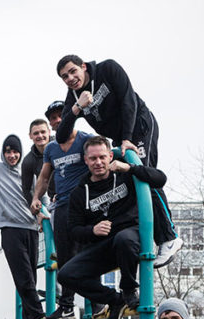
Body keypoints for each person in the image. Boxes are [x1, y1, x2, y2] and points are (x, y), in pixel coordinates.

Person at [54, 55, 181, 265]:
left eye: (73, 71)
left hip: (139, 126)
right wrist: (76, 108)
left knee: (143, 174)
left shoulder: (108, 69)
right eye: (64, 77)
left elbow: (128, 100)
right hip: (119, 137)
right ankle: (142, 236)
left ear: (83, 67)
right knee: (130, 181)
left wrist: (127, 138)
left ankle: (169, 237)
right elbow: (61, 136)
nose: (70, 78)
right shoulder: (74, 95)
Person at [60, 137, 167, 319]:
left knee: (124, 239)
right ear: (86, 160)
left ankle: (128, 290)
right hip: (103, 246)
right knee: (66, 274)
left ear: (110, 156)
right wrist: (92, 230)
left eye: (102, 157)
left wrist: (130, 168)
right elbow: (74, 230)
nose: (98, 162)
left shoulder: (125, 176)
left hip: (130, 237)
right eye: (93, 158)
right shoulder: (79, 192)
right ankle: (115, 300)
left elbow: (160, 179)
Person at [31, 116, 92, 319]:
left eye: (60, 116)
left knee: (87, 253)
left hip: (85, 203)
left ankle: (100, 300)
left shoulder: (85, 140)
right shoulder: (51, 149)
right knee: (64, 258)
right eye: (53, 118)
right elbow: (44, 177)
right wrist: (36, 197)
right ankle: (67, 306)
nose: (57, 120)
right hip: (63, 204)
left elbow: (101, 157)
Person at [0, 134, 44, 319]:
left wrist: (44, 217)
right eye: (8, 152)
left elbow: (40, 193)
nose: (12, 156)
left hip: (31, 228)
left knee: (31, 277)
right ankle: (37, 314)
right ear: (3, 153)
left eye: (15, 152)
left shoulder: (27, 170)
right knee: (24, 276)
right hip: (9, 227)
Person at [18, 118, 54, 203]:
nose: (40, 136)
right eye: (36, 133)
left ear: (49, 132)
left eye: (43, 132)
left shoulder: (62, 145)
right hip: (54, 200)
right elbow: (26, 190)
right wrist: (37, 211)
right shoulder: (28, 161)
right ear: (30, 136)